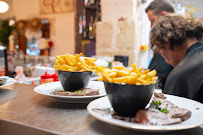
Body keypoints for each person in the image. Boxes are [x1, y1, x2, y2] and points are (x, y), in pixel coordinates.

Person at [150, 14, 203, 103]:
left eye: (160, 50)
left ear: (166, 43)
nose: (166, 61)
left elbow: (169, 113)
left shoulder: (181, 75)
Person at [145, 0, 174, 90]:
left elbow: (159, 74)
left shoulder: (170, 38)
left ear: (163, 15)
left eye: (152, 20)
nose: (151, 26)